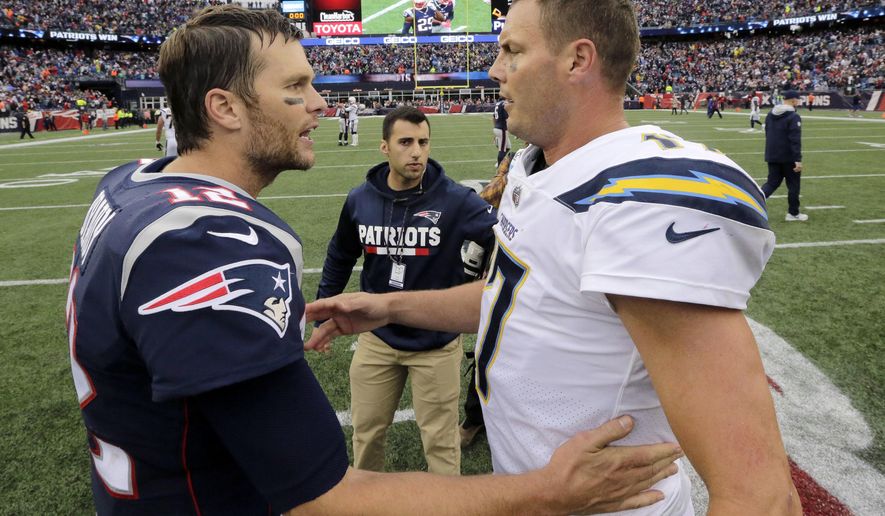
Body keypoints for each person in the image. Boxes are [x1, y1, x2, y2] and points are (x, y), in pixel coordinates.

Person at [65, 5, 681, 515]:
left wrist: (387, 304)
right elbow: (325, 499)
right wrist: (548, 491)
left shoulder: (132, 184)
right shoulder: (211, 241)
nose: (320, 104)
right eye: (295, 89)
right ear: (224, 108)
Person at [307, 1, 802, 515]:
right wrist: (391, 308)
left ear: (577, 60)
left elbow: (761, 495)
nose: (496, 70)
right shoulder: (540, 167)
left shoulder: (637, 198)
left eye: (512, 52)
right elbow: (517, 298)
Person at [316, 106, 497, 475]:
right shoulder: (360, 199)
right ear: (385, 147)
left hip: (435, 344)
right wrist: (325, 308)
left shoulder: (456, 200)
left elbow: (505, 239)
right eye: (406, 142)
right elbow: (340, 254)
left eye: (423, 142)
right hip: (376, 339)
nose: (416, 151)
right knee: (366, 435)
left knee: (442, 444)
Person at [762, 90, 806, 221]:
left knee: (771, 184)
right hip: (788, 157)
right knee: (793, 185)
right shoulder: (793, 117)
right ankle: (793, 213)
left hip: (772, 154)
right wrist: (797, 159)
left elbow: (767, 133)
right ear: (793, 100)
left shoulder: (770, 114)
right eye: (797, 100)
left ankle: (750, 205)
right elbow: (795, 139)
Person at [492, 96, 511, 167]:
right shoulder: (504, 104)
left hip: (497, 128)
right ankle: (499, 166)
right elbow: (507, 118)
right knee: (502, 149)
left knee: (508, 146)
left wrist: (495, 127)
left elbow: (493, 117)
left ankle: (499, 161)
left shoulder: (497, 104)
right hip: (502, 129)